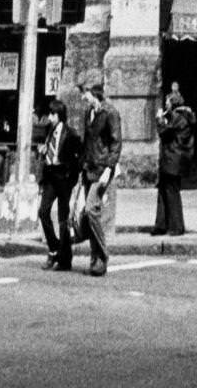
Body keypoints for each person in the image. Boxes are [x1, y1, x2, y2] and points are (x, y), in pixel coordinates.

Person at [77, 68, 123, 276]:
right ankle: (94, 257)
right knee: (90, 215)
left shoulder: (110, 112)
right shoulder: (89, 113)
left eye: (84, 93)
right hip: (89, 168)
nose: (81, 97)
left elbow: (116, 143)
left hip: (102, 169)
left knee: (90, 210)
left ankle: (102, 256)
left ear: (93, 92)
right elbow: (88, 142)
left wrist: (109, 169)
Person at [36, 97, 82, 271]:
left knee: (63, 218)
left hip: (63, 177)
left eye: (52, 114)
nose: (50, 117)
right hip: (50, 176)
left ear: (59, 115)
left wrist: (72, 178)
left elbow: (78, 157)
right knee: (43, 211)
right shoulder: (49, 131)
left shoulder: (71, 134)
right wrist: (43, 152)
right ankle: (54, 248)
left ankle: (65, 259)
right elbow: (48, 149)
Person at [153, 83, 196, 237]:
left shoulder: (178, 118)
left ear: (173, 103)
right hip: (171, 160)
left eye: (167, 102)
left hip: (173, 160)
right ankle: (161, 224)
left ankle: (176, 226)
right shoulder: (180, 117)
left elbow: (164, 132)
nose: (165, 105)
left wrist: (159, 119)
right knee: (164, 190)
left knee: (171, 192)